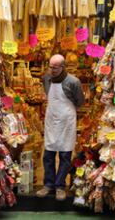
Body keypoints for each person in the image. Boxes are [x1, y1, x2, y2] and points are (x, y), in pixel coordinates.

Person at [36, 54, 85, 201]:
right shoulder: (46, 79)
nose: (52, 70)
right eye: (50, 67)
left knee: (65, 156)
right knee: (48, 155)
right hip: (51, 120)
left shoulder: (74, 82)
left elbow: (80, 101)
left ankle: (60, 186)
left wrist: (66, 113)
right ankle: (48, 184)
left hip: (66, 122)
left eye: (55, 67)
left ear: (63, 67)